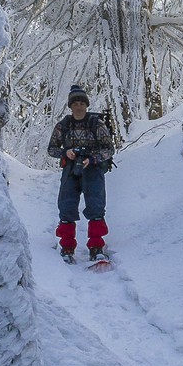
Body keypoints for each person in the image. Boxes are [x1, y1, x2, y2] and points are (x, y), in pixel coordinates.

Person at [48, 85, 115, 263]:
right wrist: (66, 153)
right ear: (70, 106)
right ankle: (67, 247)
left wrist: (92, 159)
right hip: (70, 169)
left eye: (81, 103)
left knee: (96, 207)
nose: (78, 106)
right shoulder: (63, 125)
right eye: (75, 103)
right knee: (67, 206)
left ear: (86, 105)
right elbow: (51, 149)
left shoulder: (96, 124)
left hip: (93, 169)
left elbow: (109, 149)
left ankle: (96, 246)